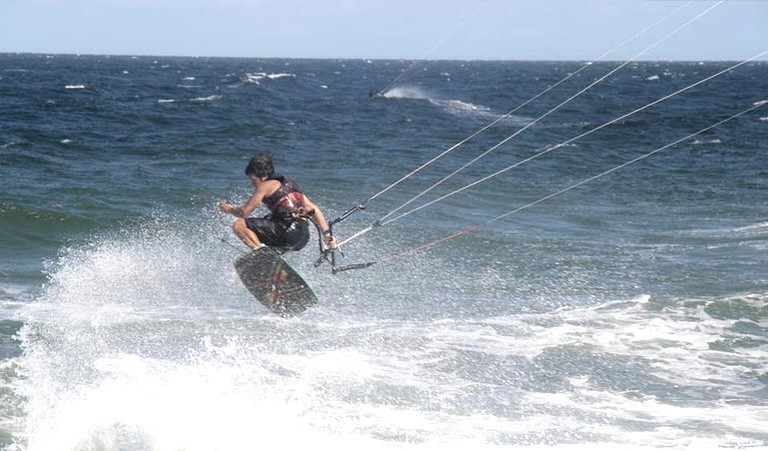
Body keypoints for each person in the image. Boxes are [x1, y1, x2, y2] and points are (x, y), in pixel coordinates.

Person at [219, 153, 337, 253]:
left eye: (252, 179)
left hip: (286, 231)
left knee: (239, 224)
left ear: (262, 174)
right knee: (266, 245)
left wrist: (228, 209)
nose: (252, 183)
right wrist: (327, 235)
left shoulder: (265, 185)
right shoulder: (291, 186)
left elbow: (244, 212)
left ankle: (260, 252)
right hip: (302, 237)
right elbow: (314, 209)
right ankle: (270, 271)